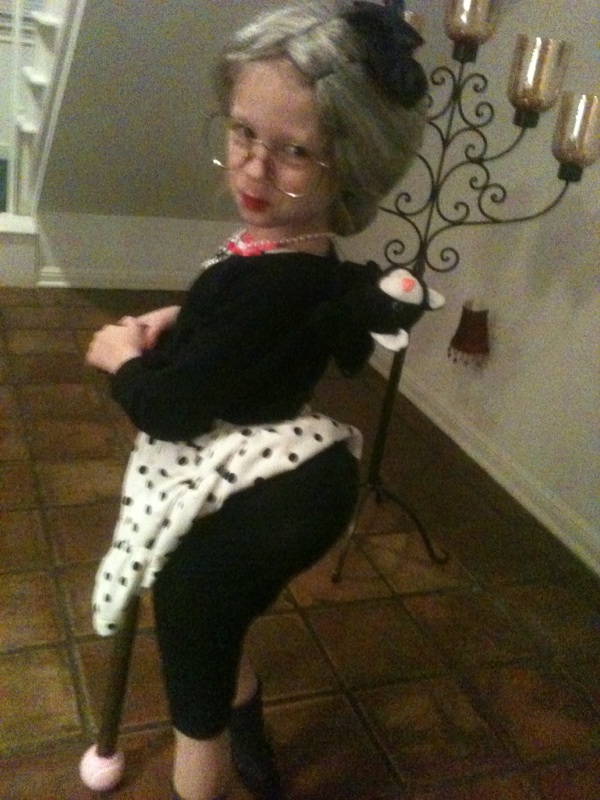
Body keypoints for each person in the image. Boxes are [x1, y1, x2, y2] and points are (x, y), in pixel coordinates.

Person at [85, 2, 436, 798]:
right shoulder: (291, 250)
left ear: (350, 165)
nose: (253, 170)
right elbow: (250, 326)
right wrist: (183, 317)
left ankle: (208, 747)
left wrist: (119, 361)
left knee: (191, 607)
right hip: (275, 457)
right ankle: (243, 711)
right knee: (207, 608)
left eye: (295, 152)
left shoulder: (273, 281)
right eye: (243, 133)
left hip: (277, 484)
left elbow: (173, 409)